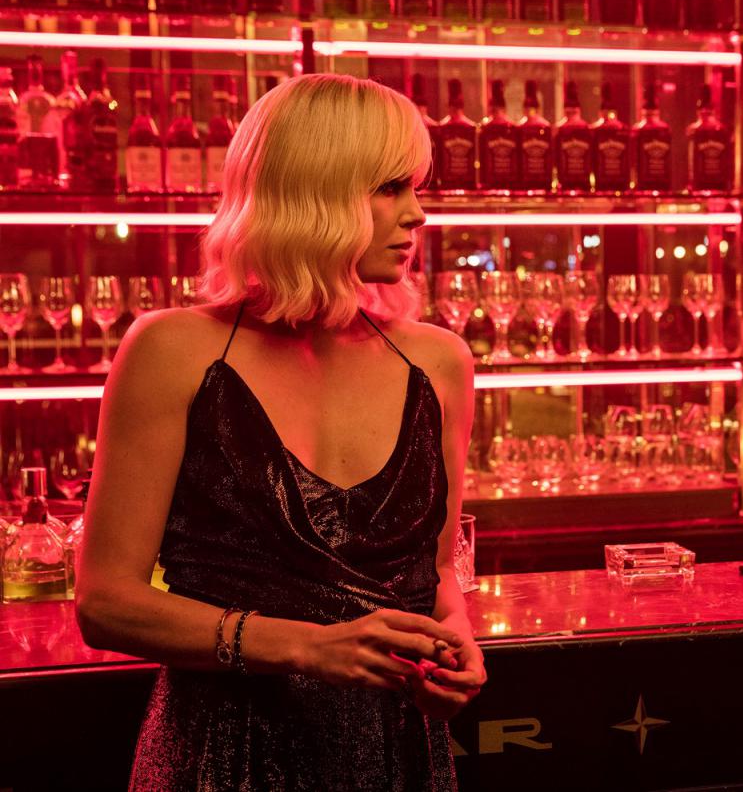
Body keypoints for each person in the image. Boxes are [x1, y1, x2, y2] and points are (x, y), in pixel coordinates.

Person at [74, 74, 485, 791]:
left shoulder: (439, 362)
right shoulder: (173, 349)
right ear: (314, 192)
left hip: (397, 752)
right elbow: (105, 601)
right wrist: (306, 647)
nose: (418, 213)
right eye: (389, 187)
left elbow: (436, 571)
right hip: (224, 756)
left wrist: (456, 645)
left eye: (416, 188)